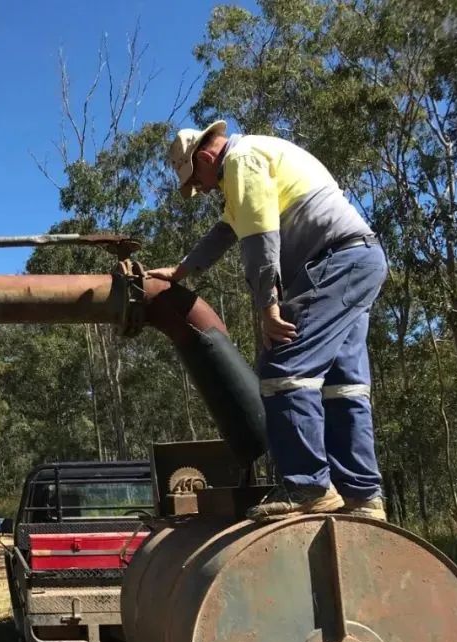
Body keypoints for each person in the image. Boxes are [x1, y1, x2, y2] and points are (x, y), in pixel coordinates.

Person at [148, 121, 388, 521]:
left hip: (333, 262)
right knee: (342, 385)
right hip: (360, 259)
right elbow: (225, 232)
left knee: (283, 365)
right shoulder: (259, 155)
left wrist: (268, 307)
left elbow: (260, 235)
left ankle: (309, 487)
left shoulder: (242, 161)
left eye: (199, 180)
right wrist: (181, 271)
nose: (204, 189)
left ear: (206, 158)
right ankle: (363, 496)